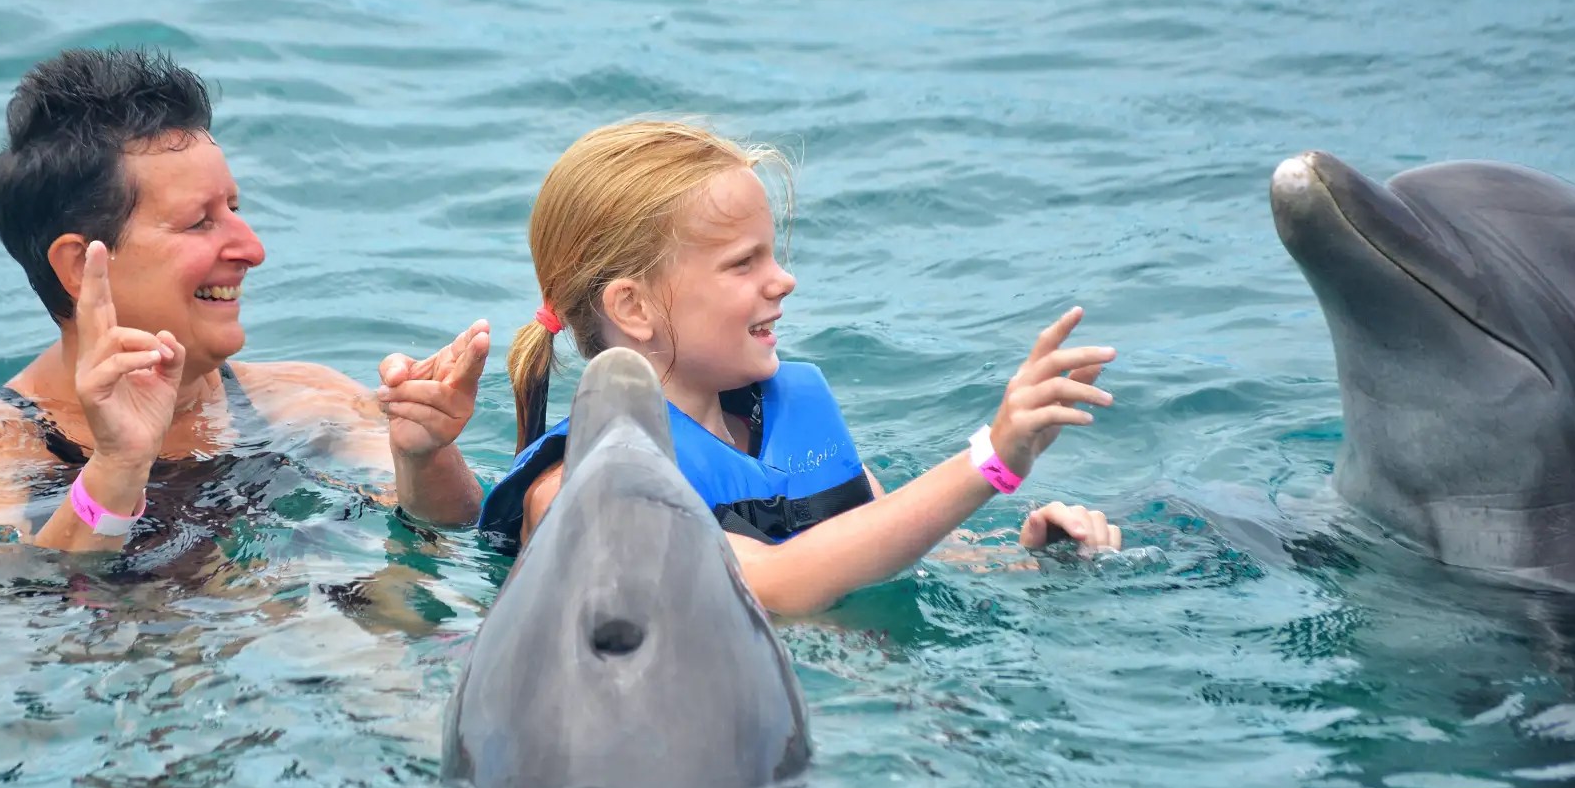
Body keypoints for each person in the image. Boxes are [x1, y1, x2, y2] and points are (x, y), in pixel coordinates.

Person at [477, 119, 1123, 616]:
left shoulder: (781, 421)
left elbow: (891, 549)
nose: (782, 280)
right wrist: (992, 461)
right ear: (633, 306)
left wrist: (1030, 560)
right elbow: (766, 586)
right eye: (743, 263)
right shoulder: (581, 487)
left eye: (774, 255)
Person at [0, 47, 487, 562]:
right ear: (81, 265)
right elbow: (3, 623)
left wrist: (426, 458)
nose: (252, 249)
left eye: (234, 207)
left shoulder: (304, 402)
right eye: (199, 222)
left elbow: (456, 534)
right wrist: (115, 468)